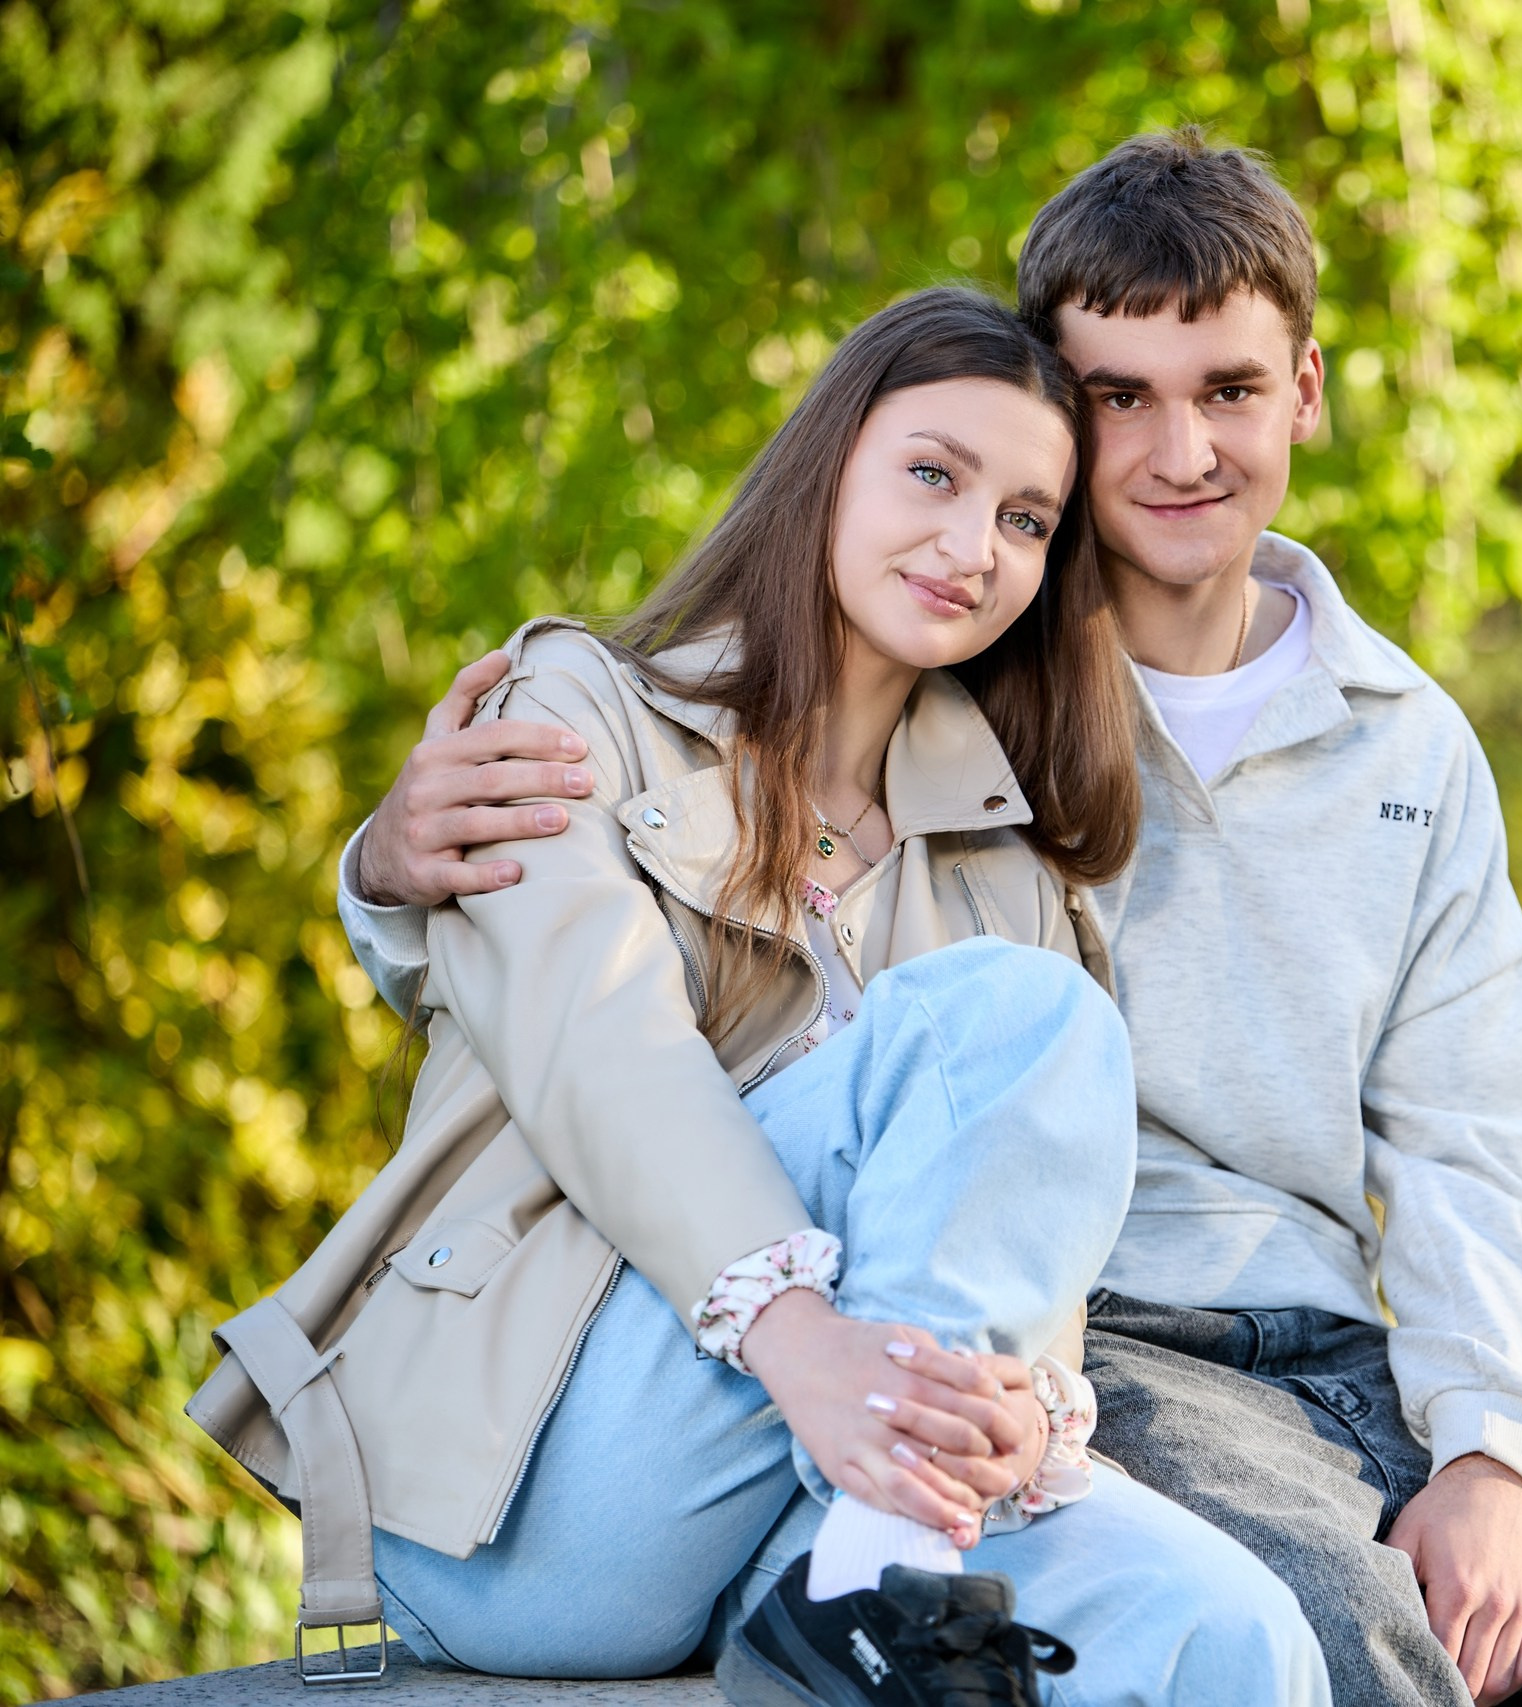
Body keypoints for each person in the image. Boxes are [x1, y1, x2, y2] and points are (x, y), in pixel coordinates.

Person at [336, 134, 1522, 1707]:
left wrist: (1486, 1454)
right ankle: (885, 1581)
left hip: (1356, 1353)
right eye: (1121, 400)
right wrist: (394, 876)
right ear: (1061, 409)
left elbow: (1468, 1141)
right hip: (1112, 1346)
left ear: (1306, 393)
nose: (1183, 452)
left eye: (1232, 392)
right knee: (1345, 1651)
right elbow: (691, 949)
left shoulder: (1407, 741)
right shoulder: (965, 702)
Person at [188, 287, 1327, 1707]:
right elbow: (603, 1060)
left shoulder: (1005, 864)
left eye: (1029, 521)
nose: (975, 547)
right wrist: (808, 1351)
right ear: (828, 464)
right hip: (536, 1494)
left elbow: (1011, 1262)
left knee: (1234, 1632)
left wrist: (1014, 1423)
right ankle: (886, 1580)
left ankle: (881, 1573)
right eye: (933, 474)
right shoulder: (572, 712)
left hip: (828, 1492)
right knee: (1018, 1021)